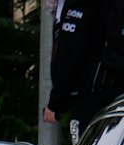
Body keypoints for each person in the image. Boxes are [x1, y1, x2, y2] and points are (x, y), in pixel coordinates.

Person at [45, 1, 124, 134]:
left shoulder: (80, 5)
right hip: (111, 90)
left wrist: (55, 102)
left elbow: (71, 54)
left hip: (92, 96)